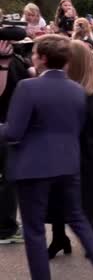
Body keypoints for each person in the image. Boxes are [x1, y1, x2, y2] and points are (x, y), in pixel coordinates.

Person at [0, 35, 93, 279]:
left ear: (42, 58)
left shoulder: (28, 87)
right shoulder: (76, 90)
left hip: (33, 167)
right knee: (79, 220)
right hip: (68, 164)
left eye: (34, 53)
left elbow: (14, 131)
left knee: (34, 231)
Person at [48, 40, 93, 258]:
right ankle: (59, 237)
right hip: (66, 154)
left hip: (86, 158)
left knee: (79, 202)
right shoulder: (69, 90)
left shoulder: (90, 96)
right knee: (57, 198)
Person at [0, 38, 30, 246]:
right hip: (3, 125)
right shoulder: (4, 59)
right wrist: (2, 64)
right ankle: (6, 228)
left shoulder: (18, 57)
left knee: (11, 177)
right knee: (7, 178)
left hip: (14, 124)